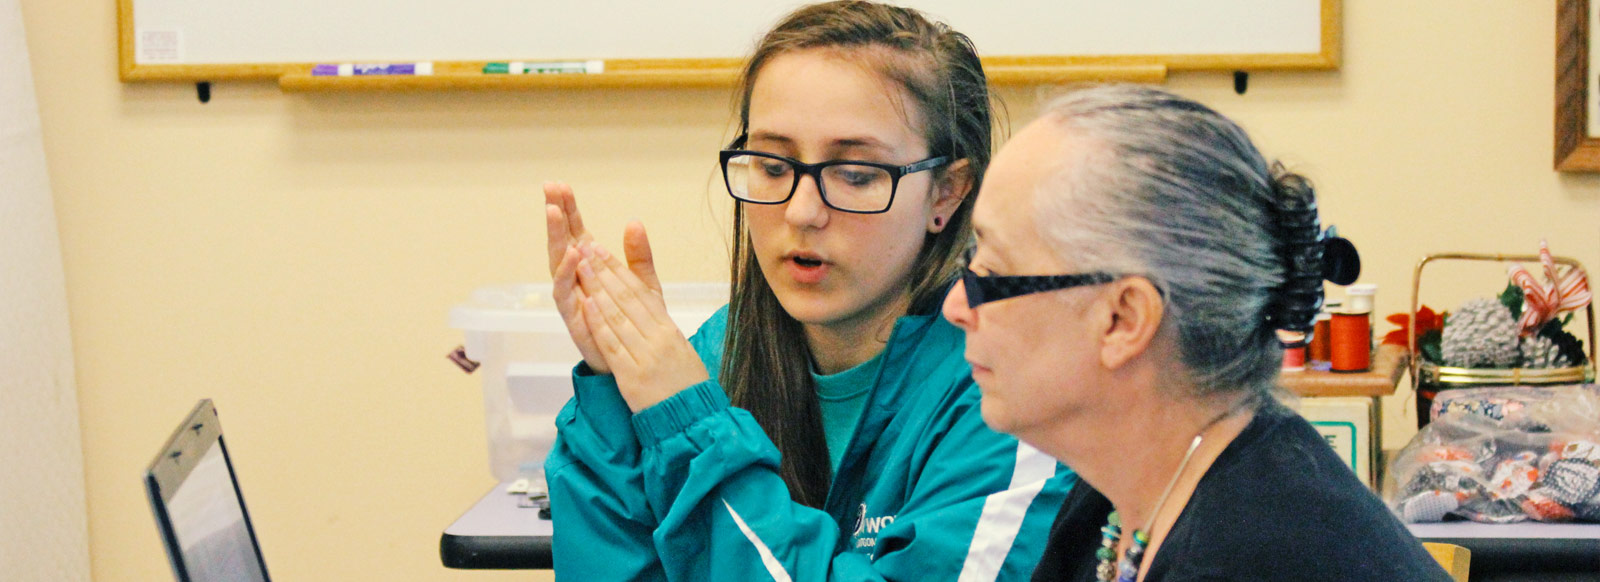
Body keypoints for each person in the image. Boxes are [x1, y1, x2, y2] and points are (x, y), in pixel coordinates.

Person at [541, 2, 1076, 580]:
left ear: (945, 194)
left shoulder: (1013, 394)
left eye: (855, 175)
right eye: (772, 166)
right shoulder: (719, 351)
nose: (801, 211)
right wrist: (615, 404)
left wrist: (687, 426)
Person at [942, 85, 1451, 582]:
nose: (956, 306)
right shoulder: (1118, 496)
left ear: (1123, 319)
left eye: (990, 274)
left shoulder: (1249, 553)